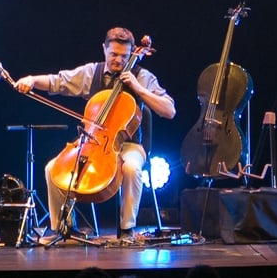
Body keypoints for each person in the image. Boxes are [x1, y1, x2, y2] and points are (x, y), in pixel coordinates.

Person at [14, 26, 176, 240]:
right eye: (114, 55)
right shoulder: (92, 72)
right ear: (104, 49)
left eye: (124, 56)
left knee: (131, 168)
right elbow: (58, 81)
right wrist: (33, 80)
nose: (119, 60)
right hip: (92, 141)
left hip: (129, 145)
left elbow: (169, 110)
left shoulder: (142, 76)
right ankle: (63, 229)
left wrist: (138, 88)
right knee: (52, 169)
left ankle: (127, 230)